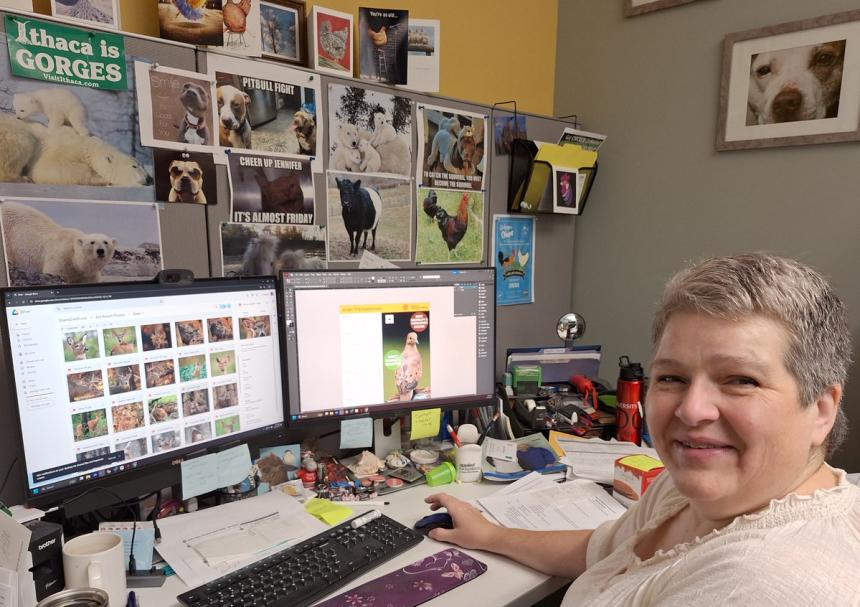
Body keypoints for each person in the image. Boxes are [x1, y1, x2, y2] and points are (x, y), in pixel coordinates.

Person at [427, 253, 860, 605]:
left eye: (741, 380)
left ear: (821, 410)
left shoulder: (764, 585)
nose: (692, 411)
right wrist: (490, 535)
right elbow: (605, 549)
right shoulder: (690, 492)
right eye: (672, 377)